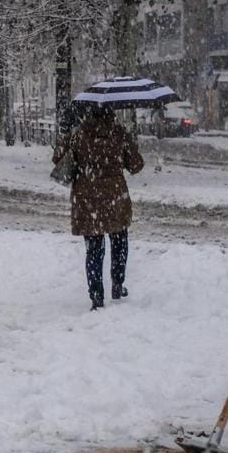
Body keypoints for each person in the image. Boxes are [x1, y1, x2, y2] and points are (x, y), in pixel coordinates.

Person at [52, 103, 144, 309]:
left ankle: (96, 295)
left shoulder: (78, 135)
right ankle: (117, 284)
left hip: (87, 199)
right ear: (112, 113)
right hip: (115, 198)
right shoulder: (118, 134)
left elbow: (57, 157)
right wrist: (129, 145)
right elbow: (136, 165)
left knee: (94, 249)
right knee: (119, 241)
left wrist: (66, 132)